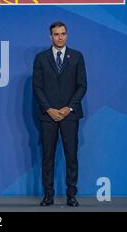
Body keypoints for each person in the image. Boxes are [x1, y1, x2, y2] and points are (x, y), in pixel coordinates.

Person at [32, 21, 87, 207]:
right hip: (48, 116)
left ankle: (71, 194)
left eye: (63, 33)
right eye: (56, 34)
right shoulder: (41, 58)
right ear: (50, 36)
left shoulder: (77, 56)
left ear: (67, 35)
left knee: (71, 156)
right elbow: (37, 87)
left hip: (69, 115)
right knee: (48, 157)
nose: (60, 37)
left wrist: (68, 107)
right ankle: (48, 195)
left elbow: (82, 86)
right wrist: (49, 109)